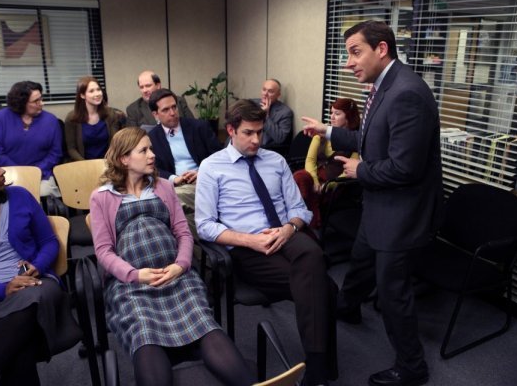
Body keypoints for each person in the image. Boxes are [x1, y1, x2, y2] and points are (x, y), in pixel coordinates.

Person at [302, 20, 443, 386]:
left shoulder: (407, 93)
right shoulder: (382, 86)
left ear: (381, 49)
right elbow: (370, 136)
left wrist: (358, 170)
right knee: (361, 260)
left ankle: (412, 367)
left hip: (401, 213)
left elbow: (405, 168)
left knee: (393, 292)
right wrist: (328, 130)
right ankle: (347, 309)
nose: (348, 62)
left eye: (355, 52)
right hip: (378, 205)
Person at [89, 127, 254, 386]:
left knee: (203, 321)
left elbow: (184, 234)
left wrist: (181, 265)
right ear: (124, 159)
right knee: (144, 331)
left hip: (176, 277)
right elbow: (103, 251)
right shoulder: (102, 197)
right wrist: (134, 275)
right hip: (132, 285)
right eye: (144, 150)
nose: (152, 155)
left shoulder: (164, 187)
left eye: (151, 149)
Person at [196, 99, 337, 386]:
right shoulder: (212, 167)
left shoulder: (275, 161)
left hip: (285, 235)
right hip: (249, 249)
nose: (256, 140)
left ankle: (318, 370)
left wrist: (287, 229)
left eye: (260, 132)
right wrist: (249, 240)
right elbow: (205, 225)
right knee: (324, 287)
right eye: (249, 132)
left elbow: (301, 210)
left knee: (311, 254)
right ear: (231, 130)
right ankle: (321, 368)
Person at [0, 140, 82, 386]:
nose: (1, 170)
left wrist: (37, 266)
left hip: (35, 283)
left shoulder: (19, 197)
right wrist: (2, 289)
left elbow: (49, 243)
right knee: (20, 349)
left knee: (30, 300)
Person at [147, 88, 221, 213]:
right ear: (155, 114)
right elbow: (153, 168)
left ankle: (175, 205)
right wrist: (173, 178)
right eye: (166, 110)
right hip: (175, 185)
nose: (172, 112)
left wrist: (202, 173)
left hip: (203, 180)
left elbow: (219, 156)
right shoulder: (152, 137)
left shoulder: (199, 127)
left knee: (168, 199)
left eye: (174, 107)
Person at [0, 81, 62, 198]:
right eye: (36, 101)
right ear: (21, 103)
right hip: (7, 173)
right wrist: (20, 173)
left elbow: (55, 153)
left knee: (43, 193)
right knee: (9, 198)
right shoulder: (0, 118)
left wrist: (36, 171)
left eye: (41, 99)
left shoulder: (51, 120)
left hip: (41, 174)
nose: (42, 103)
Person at [294, 97, 360, 229]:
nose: (332, 117)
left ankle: (308, 224)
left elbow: (349, 171)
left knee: (301, 187)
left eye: (337, 113)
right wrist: (316, 181)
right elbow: (310, 160)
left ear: (348, 116)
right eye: (331, 113)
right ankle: (312, 223)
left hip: (335, 186)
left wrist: (327, 186)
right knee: (301, 177)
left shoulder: (355, 140)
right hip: (314, 178)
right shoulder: (321, 134)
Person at [64, 76, 122, 161]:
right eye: (91, 91)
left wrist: (107, 161)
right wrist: (87, 165)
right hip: (83, 165)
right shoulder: (71, 118)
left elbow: (115, 144)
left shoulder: (111, 114)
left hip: (108, 163)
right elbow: (71, 149)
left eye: (98, 90)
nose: (97, 94)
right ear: (82, 95)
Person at [126, 71, 194, 128]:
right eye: (141, 87)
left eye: (148, 86)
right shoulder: (133, 109)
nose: (144, 90)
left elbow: (192, 125)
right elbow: (132, 138)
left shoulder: (178, 101)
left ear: (158, 86)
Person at [251, 79, 293, 153]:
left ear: (278, 95)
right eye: (264, 90)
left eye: (270, 91)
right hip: (246, 146)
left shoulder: (285, 112)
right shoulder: (252, 104)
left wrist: (265, 116)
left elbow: (280, 138)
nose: (265, 94)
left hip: (267, 150)